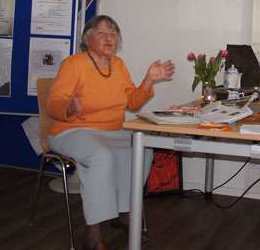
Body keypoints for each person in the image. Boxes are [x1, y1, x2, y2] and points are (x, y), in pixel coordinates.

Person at [47, 15, 175, 250]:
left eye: (113, 34)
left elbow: (133, 103)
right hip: (72, 131)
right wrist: (69, 106)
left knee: (142, 150)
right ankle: (93, 233)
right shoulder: (73, 64)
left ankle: (123, 212)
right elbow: (53, 103)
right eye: (102, 33)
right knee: (101, 156)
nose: (109, 38)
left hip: (112, 131)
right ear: (88, 38)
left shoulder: (118, 65)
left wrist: (149, 80)